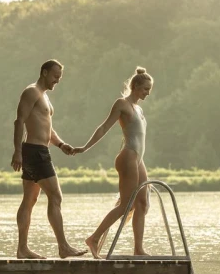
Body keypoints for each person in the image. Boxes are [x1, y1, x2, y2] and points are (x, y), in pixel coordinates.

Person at [73, 66, 154, 258]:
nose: (148, 93)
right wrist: (85, 147)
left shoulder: (139, 108)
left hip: (138, 158)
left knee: (142, 203)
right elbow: (103, 128)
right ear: (135, 86)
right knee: (126, 205)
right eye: (145, 89)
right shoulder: (122, 104)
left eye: (149, 89)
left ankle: (138, 249)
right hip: (128, 157)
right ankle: (93, 238)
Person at [11, 59, 87, 259]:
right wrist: (17, 151)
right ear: (44, 72)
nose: (57, 80)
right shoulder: (31, 92)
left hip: (38, 150)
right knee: (56, 197)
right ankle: (63, 247)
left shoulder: (44, 97)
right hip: (35, 151)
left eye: (59, 77)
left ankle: (22, 249)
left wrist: (61, 145)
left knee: (30, 199)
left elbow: (47, 129)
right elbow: (19, 121)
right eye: (55, 76)